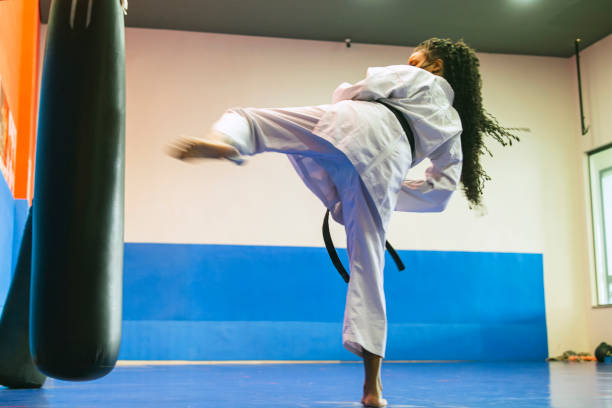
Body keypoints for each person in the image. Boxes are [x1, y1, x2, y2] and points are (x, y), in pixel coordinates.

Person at [168, 38, 519, 407]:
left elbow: (356, 91)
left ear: (436, 66)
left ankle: (230, 143)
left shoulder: (409, 76)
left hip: (348, 124)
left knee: (251, 119)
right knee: (368, 266)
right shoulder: (452, 123)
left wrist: (348, 119)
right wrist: (387, 190)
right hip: (391, 160)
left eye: (415, 58)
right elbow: (441, 191)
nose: (410, 62)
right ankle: (373, 389)